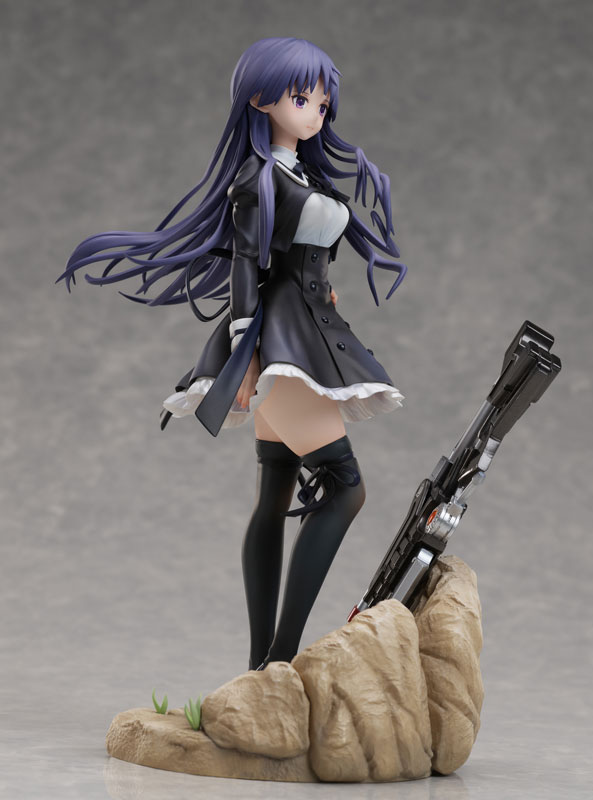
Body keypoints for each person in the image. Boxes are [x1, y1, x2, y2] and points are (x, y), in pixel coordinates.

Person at [59, 37, 407, 670]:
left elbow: (297, 252)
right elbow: (246, 266)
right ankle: (281, 660)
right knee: (344, 488)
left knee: (276, 492)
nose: (315, 111)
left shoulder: (300, 173)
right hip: (280, 340)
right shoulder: (257, 177)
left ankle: (261, 669)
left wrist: (320, 283)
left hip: (306, 326)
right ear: (260, 99)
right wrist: (246, 352)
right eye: (301, 98)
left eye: (321, 102)